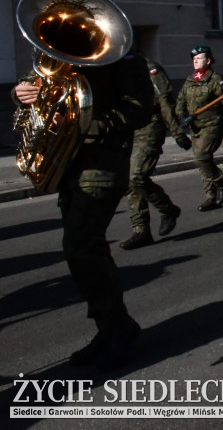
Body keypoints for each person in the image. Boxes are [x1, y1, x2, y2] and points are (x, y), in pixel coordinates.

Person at [13, 24, 153, 370]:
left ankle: (117, 331)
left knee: (82, 245)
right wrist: (21, 94)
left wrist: (79, 123)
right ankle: (114, 328)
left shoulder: (124, 59)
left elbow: (140, 110)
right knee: (83, 249)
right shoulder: (55, 57)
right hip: (71, 164)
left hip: (102, 164)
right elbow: (33, 90)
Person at [121, 46, 192, 250]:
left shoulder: (149, 67)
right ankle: (140, 230)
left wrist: (177, 132)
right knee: (129, 181)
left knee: (137, 177)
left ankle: (168, 209)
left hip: (149, 126)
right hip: (126, 128)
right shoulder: (113, 69)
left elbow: (164, 101)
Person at [176, 45, 223, 211]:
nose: (195, 60)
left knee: (201, 157)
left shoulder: (216, 80)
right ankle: (210, 196)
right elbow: (180, 101)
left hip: (212, 126)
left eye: (199, 57)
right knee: (203, 163)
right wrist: (180, 117)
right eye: (193, 58)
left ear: (208, 61)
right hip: (195, 128)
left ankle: (221, 184)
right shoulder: (190, 80)